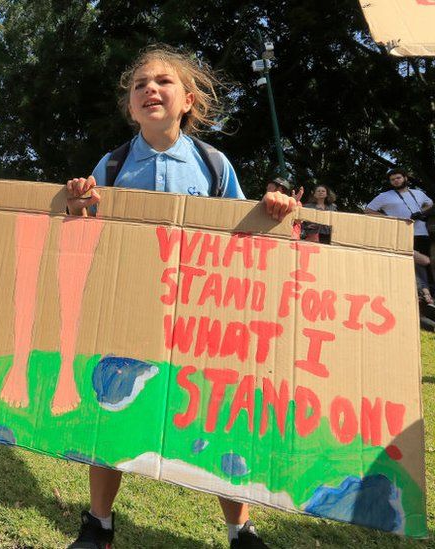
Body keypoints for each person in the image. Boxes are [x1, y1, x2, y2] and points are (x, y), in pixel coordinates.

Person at [65, 46, 297, 549]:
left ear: (187, 100)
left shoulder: (213, 164)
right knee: (112, 409)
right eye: (139, 84)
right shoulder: (112, 164)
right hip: (128, 307)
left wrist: (273, 207)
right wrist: (79, 203)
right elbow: (88, 232)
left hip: (200, 313)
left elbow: (242, 233)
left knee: (218, 412)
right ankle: (98, 523)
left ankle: (241, 528)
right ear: (130, 107)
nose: (151, 88)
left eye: (163, 82)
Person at [365, 168, 434, 308]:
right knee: (415, 267)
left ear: (405, 178)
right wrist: (391, 219)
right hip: (402, 234)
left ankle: (429, 296)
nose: (396, 181)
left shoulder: (418, 193)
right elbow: (368, 210)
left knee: (428, 265)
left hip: (423, 233)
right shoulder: (385, 195)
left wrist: (422, 213)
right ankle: (425, 299)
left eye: (398, 178)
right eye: (393, 179)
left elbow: (430, 204)